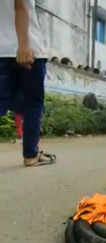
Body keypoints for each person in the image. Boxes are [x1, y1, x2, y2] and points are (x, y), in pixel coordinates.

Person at [0, 0, 55, 167]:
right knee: (33, 105)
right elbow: (20, 5)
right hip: (26, 49)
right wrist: (23, 45)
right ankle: (31, 155)